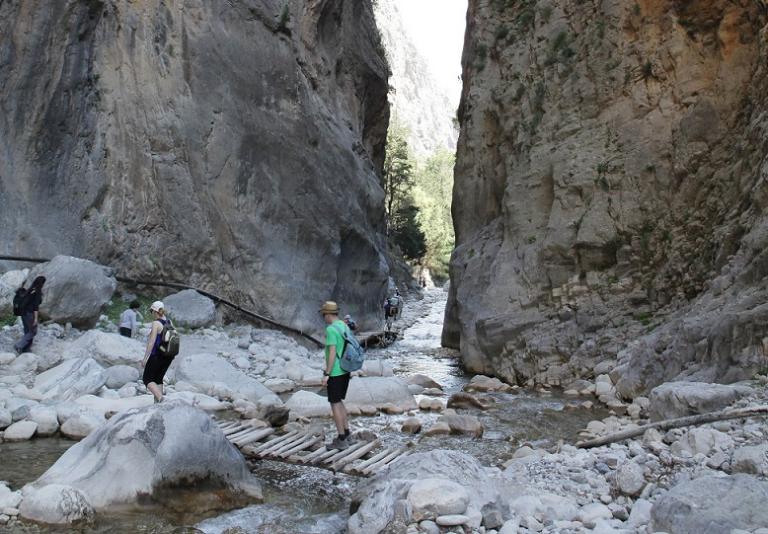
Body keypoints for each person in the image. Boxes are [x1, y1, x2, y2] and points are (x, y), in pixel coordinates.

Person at [320, 301, 353, 450]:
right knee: (339, 402)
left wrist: (327, 373)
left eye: (324, 315)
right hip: (345, 369)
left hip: (335, 372)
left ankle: (341, 439)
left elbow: (332, 353)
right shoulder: (344, 325)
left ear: (328, 314)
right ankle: (347, 434)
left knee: (334, 404)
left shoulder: (331, 329)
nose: (324, 317)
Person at [142, 301, 173, 403]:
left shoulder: (156, 323)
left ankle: (162, 399)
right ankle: (158, 405)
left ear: (155, 311)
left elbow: (151, 342)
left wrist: (145, 358)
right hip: (168, 356)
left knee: (147, 379)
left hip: (157, 355)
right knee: (158, 379)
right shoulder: (169, 322)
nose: (151, 313)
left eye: (151, 311)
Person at [14, 276, 45, 354]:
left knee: (27, 331)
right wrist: (36, 319)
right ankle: (19, 345)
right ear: (42, 284)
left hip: (23, 313)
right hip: (30, 314)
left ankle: (26, 349)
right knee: (33, 332)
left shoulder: (30, 290)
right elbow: (35, 307)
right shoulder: (37, 292)